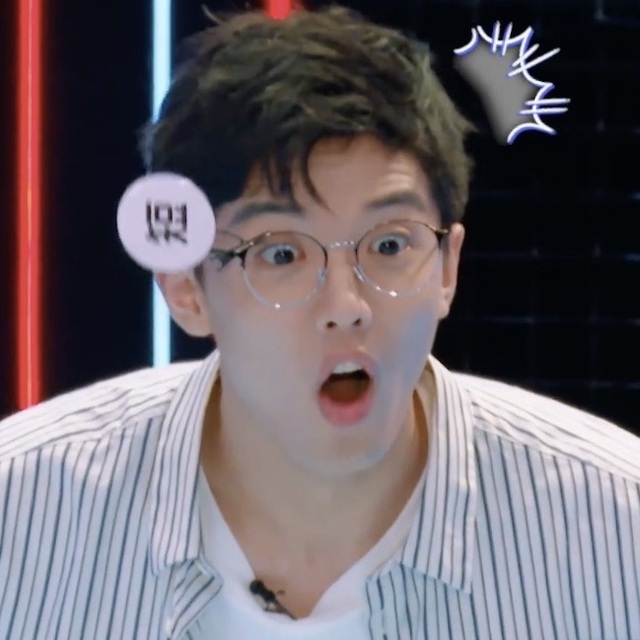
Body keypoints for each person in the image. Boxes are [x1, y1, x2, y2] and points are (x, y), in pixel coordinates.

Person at [1, 5, 638, 639]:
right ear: (185, 288)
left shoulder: (617, 524)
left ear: (447, 267)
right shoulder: (19, 508)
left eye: (389, 245)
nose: (346, 306)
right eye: (281, 254)